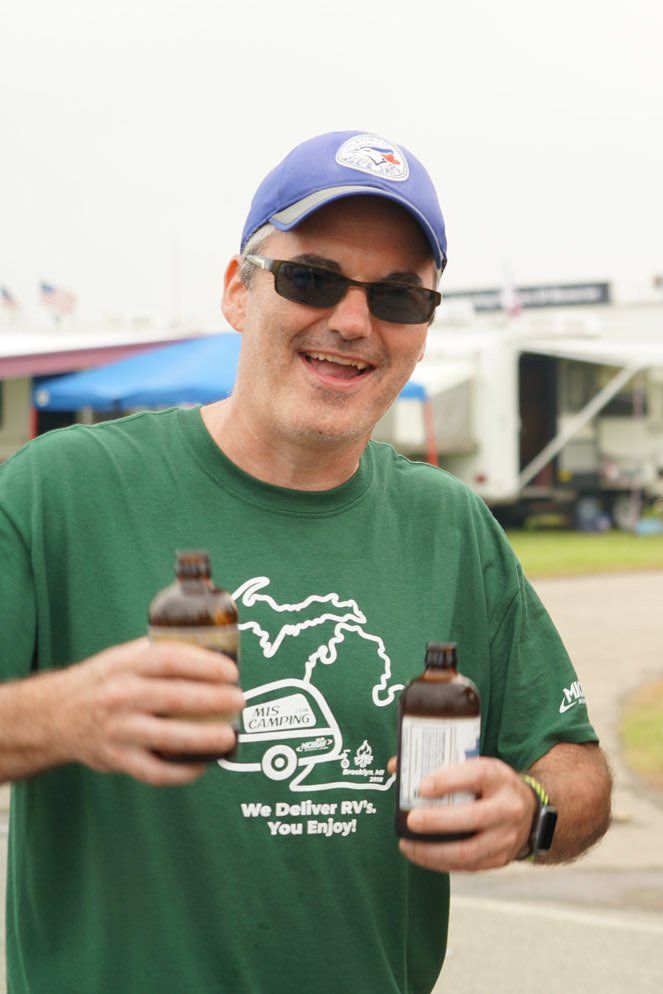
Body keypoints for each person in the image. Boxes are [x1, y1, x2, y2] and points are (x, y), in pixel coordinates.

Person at [0, 130, 611, 994]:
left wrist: (531, 814)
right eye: (312, 279)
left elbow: (575, 769)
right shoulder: (59, 489)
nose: (353, 322)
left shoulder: (451, 527)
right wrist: (64, 714)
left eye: (399, 296)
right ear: (238, 292)